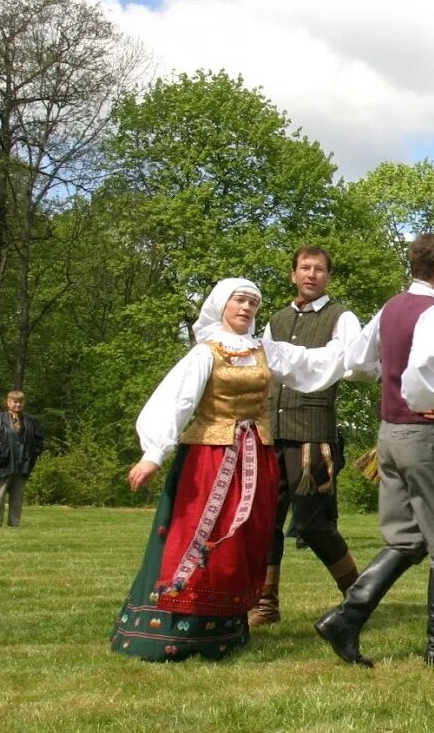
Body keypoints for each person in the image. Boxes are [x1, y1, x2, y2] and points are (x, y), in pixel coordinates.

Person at [110, 279, 346, 661]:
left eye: (253, 302)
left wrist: (366, 342)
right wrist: (153, 452)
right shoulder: (206, 353)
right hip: (209, 459)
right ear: (221, 305)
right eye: (239, 300)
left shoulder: (265, 351)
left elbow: (313, 364)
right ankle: (175, 629)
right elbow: (177, 400)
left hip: (256, 459)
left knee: (244, 541)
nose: (246, 307)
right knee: (201, 533)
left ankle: (225, 629)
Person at [316, 233, 434, 667]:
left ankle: (346, 619)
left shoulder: (391, 307)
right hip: (423, 439)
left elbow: (354, 361)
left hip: (388, 435)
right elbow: (425, 366)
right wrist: (431, 401)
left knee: (408, 539)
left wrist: (390, 383)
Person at [251, 245, 363, 628]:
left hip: (313, 433)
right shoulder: (276, 320)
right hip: (271, 432)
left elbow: (351, 362)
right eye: (305, 268)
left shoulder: (341, 317)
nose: (311, 274)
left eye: (319, 269)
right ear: (293, 274)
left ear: (328, 276)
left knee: (313, 524)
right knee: (265, 520)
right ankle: (266, 604)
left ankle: (359, 594)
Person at [0, 390, 43, 529]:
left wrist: (34, 453)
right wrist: (2, 450)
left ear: (24, 403)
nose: (18, 404)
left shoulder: (31, 420)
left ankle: (14, 524)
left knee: (17, 496)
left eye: (20, 401)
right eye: (15, 401)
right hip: (4, 463)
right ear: (8, 402)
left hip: (23, 463)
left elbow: (39, 440)